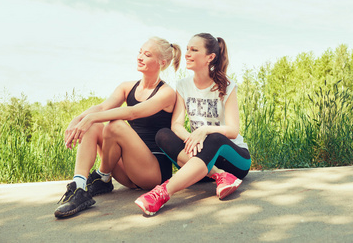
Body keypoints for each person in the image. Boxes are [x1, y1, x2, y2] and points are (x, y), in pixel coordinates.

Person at [54, 36, 181, 218]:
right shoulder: (127, 87)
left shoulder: (167, 93)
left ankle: (102, 175)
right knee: (94, 125)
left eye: (147, 54)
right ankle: (80, 187)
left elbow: (133, 112)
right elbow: (102, 107)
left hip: (153, 173)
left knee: (116, 126)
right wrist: (78, 119)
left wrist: (90, 118)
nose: (140, 57)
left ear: (162, 62)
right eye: (140, 52)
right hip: (128, 172)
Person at [135, 33, 251, 216]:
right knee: (163, 134)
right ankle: (219, 175)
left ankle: (162, 193)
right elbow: (176, 126)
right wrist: (192, 138)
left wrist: (203, 131)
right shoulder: (183, 85)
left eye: (194, 50)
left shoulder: (227, 86)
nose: (187, 54)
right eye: (187, 49)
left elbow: (233, 130)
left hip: (235, 160)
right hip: (199, 159)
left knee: (214, 138)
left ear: (210, 57)